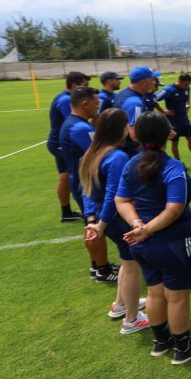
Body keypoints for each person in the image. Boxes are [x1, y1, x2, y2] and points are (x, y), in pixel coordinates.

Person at [115, 111, 191, 365]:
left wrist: (138, 224)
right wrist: (146, 228)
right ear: (166, 133)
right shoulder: (172, 166)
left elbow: (121, 200)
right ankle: (183, 346)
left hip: (143, 245)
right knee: (177, 295)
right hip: (172, 242)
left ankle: (161, 341)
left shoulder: (130, 163)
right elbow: (174, 209)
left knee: (155, 292)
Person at [81, 108, 149, 333]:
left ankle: (121, 305)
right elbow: (115, 195)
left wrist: (93, 219)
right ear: (120, 129)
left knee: (126, 262)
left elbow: (87, 192)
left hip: (105, 219)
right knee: (131, 266)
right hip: (115, 220)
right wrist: (101, 224)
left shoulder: (92, 153)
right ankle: (131, 319)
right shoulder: (117, 157)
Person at [60, 86, 118, 282]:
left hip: (82, 181)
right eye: (95, 103)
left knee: (91, 224)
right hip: (86, 184)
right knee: (94, 225)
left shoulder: (73, 123)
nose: (98, 107)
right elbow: (99, 152)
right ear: (85, 104)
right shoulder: (80, 128)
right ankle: (102, 269)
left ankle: (97, 265)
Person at [47, 71, 91, 222]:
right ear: (74, 85)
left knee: (65, 176)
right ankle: (83, 210)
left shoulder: (65, 97)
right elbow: (77, 120)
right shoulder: (66, 100)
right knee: (73, 175)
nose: (86, 89)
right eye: (84, 85)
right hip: (60, 144)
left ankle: (66, 212)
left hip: (59, 143)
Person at [113, 65, 162, 156]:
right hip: (131, 152)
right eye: (152, 79)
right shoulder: (135, 103)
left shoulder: (125, 93)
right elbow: (135, 135)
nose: (154, 82)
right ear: (144, 82)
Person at [155, 73, 191, 161]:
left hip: (184, 119)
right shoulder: (169, 90)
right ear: (179, 81)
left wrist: (188, 105)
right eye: (185, 84)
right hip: (173, 121)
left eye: (188, 85)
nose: (187, 86)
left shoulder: (187, 88)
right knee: (175, 143)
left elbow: (187, 97)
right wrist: (163, 111)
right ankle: (179, 162)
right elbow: (154, 99)